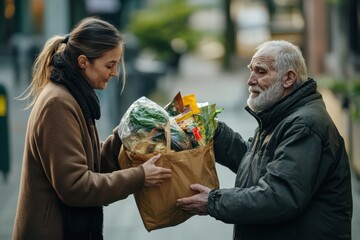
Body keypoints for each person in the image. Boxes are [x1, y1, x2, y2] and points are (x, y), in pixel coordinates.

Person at [12, 17, 171, 240]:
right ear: (83, 61)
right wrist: (139, 176)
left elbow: (91, 159)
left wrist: (127, 133)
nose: (115, 73)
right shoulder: (57, 103)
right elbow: (76, 186)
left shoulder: (72, 95)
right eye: (110, 65)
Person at [177, 40, 353, 240]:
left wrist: (213, 201)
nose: (250, 80)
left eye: (261, 72)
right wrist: (212, 130)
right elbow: (253, 162)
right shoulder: (281, 114)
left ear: (288, 78)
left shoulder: (305, 125)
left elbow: (280, 196)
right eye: (251, 70)